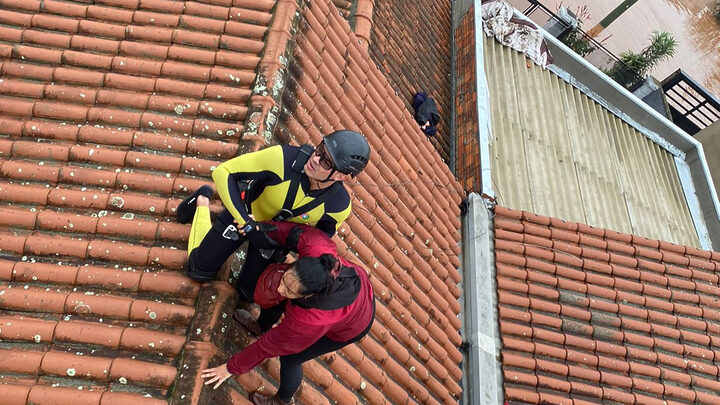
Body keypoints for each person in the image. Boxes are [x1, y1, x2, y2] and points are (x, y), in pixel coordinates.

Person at [176, 130, 371, 303]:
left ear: (340, 176)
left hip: (272, 239)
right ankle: (202, 200)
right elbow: (223, 172)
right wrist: (247, 222)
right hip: (244, 216)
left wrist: (287, 246)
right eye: (319, 149)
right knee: (199, 270)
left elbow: (319, 237)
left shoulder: (338, 205)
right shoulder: (283, 158)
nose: (315, 159)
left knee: (248, 294)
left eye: (326, 161)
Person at [199, 220, 376, 405]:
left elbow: (267, 346)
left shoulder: (309, 321)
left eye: (291, 290)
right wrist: (260, 227)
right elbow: (292, 231)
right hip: (355, 288)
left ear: (309, 295)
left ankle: (283, 399)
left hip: (354, 324)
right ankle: (260, 326)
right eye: (285, 280)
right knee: (278, 298)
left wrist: (230, 368)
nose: (282, 289)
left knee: (291, 357)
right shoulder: (317, 246)